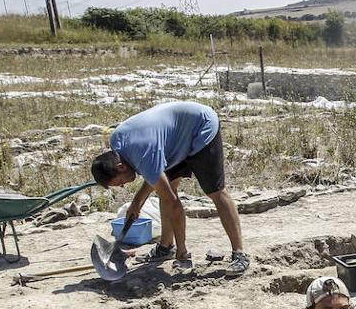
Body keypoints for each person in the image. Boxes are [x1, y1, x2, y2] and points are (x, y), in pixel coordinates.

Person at [90, 101, 250, 276]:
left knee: (216, 191)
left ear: (120, 167)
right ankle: (166, 247)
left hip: (200, 127)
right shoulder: (118, 143)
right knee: (166, 191)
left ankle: (238, 254)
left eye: (120, 182)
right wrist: (136, 203)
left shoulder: (143, 154)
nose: (124, 185)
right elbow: (154, 176)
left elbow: (172, 202)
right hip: (173, 141)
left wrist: (183, 253)